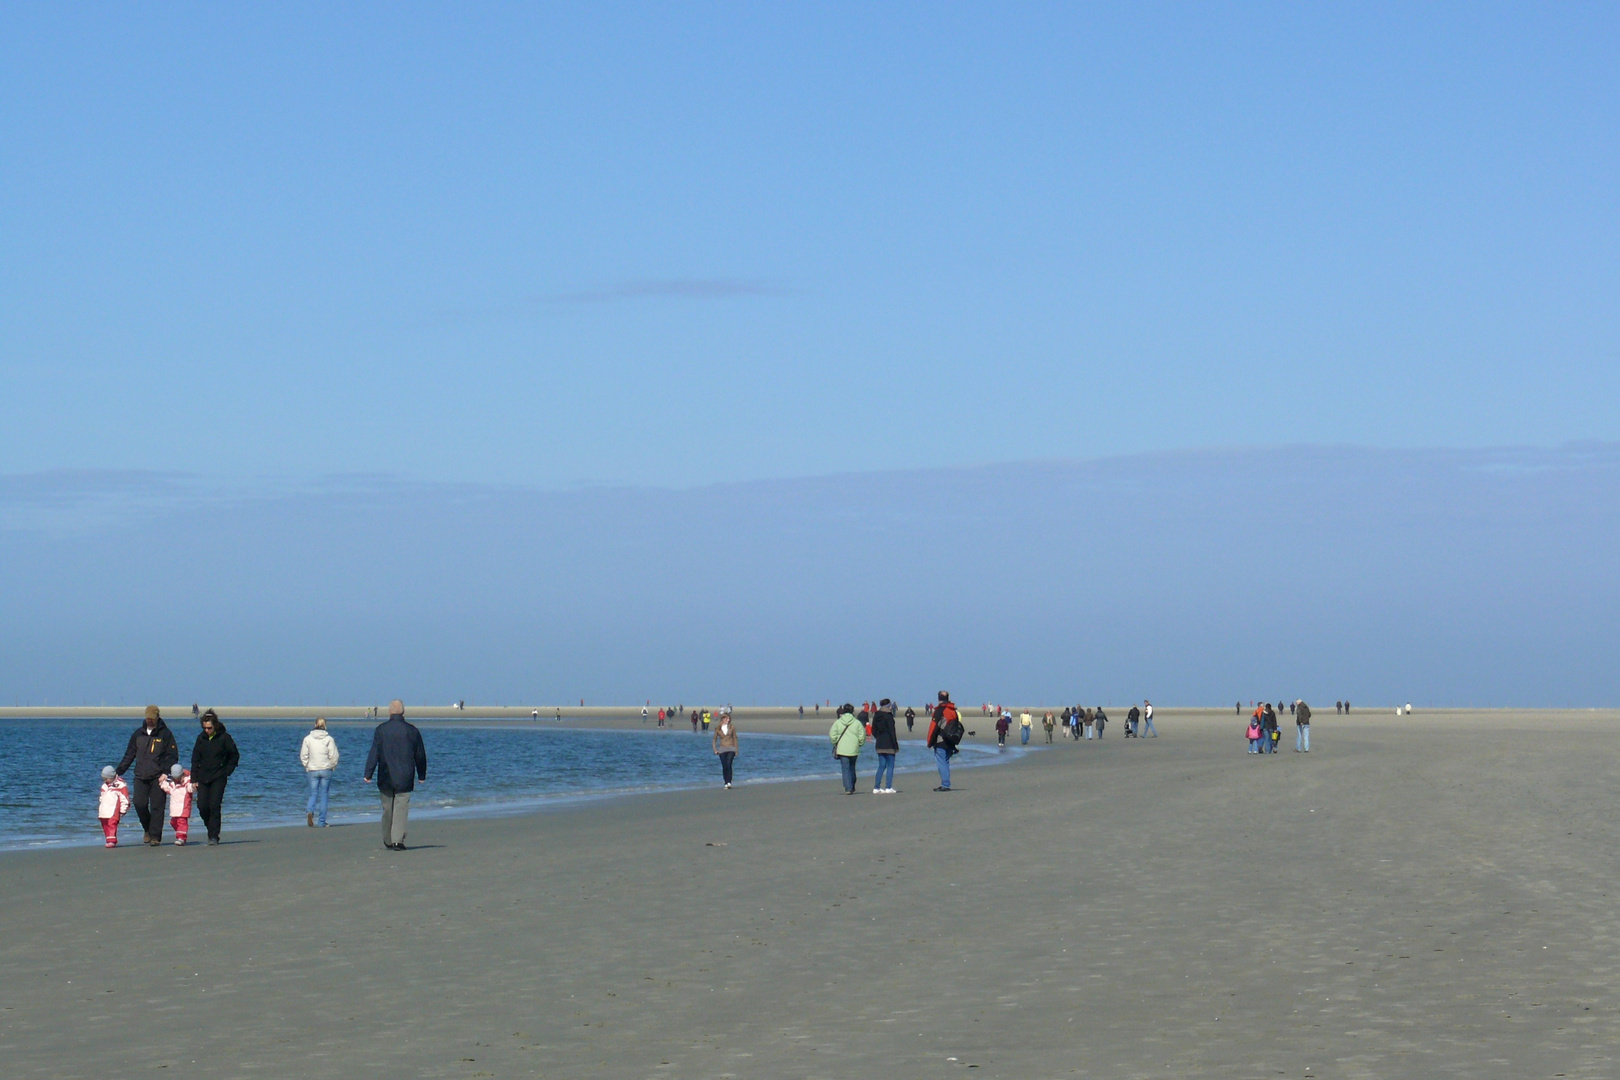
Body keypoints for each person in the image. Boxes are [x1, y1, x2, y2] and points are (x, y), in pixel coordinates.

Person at [364, 700, 428, 851]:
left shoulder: (381, 730)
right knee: (400, 808)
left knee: (387, 808)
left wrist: (368, 773)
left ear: (390, 712)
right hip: (405, 775)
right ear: (403, 712)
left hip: (385, 774)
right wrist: (422, 774)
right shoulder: (412, 731)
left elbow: (374, 753)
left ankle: (388, 839)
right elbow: (420, 755)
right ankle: (397, 840)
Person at [116, 706, 179, 846]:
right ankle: (148, 829)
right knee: (139, 804)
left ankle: (156, 836)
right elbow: (129, 754)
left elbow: (173, 756)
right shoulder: (138, 734)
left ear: (157, 717)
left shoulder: (165, 734)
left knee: (157, 807)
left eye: (152, 718)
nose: (149, 721)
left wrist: (165, 772)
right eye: (147, 718)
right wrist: (119, 771)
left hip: (158, 777)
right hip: (140, 776)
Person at [190, 709, 240, 845]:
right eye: (205, 728)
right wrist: (193, 779)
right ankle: (210, 828)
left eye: (209, 728)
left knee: (214, 806)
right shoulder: (200, 739)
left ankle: (214, 836)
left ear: (215, 726)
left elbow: (234, 755)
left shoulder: (224, 738)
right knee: (202, 807)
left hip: (219, 777)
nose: (207, 730)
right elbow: (195, 759)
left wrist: (227, 771)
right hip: (202, 778)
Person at [300, 717, 340, 827]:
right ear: (325, 725)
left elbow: (303, 755)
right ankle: (321, 821)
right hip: (326, 769)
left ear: (315, 724)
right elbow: (334, 755)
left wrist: (307, 766)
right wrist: (333, 765)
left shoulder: (308, 739)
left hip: (312, 769)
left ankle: (310, 811)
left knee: (313, 793)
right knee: (324, 795)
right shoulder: (329, 739)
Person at [925, 691, 961, 791]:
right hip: (950, 740)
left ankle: (945, 784)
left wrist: (930, 742)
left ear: (939, 698)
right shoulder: (953, 710)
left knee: (942, 763)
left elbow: (934, 727)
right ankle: (946, 783)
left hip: (941, 740)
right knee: (945, 762)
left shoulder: (940, 710)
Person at [828, 703, 865, 795]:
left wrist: (835, 742)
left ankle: (848, 788)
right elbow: (862, 735)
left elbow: (832, 735)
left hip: (842, 749)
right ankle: (851, 786)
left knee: (845, 769)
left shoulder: (838, 722)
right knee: (852, 768)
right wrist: (859, 743)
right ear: (852, 711)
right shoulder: (857, 723)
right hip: (854, 748)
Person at [159, 763, 195, 846]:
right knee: (173, 822)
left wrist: (194, 785)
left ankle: (181, 837)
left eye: (178, 777)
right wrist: (162, 782)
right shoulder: (171, 782)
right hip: (174, 807)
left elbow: (190, 788)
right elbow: (167, 788)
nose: (177, 779)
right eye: (175, 778)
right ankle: (181, 832)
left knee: (182, 821)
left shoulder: (187, 781)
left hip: (184, 806)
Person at [98, 766, 131, 848]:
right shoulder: (104, 786)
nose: (105, 780)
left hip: (114, 810)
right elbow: (102, 796)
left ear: (112, 777)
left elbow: (124, 798)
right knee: (105, 824)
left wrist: (123, 810)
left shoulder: (120, 785)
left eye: (107, 778)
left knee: (112, 824)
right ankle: (108, 838)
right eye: (104, 779)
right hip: (104, 809)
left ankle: (112, 840)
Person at [871, 699, 899, 793]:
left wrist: (878, 737)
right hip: (889, 743)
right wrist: (895, 745)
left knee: (881, 766)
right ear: (888, 705)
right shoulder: (888, 716)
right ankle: (888, 787)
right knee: (890, 766)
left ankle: (876, 787)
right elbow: (892, 731)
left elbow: (873, 731)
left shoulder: (876, 715)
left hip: (879, 743)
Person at [712, 712, 739, 789]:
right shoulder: (718, 728)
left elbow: (735, 738)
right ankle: (726, 782)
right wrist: (715, 749)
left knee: (729, 764)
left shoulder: (732, 727)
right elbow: (714, 739)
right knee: (724, 766)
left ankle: (729, 781)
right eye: (727, 718)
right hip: (722, 749)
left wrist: (736, 749)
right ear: (723, 719)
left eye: (729, 718)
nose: (728, 720)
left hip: (731, 748)